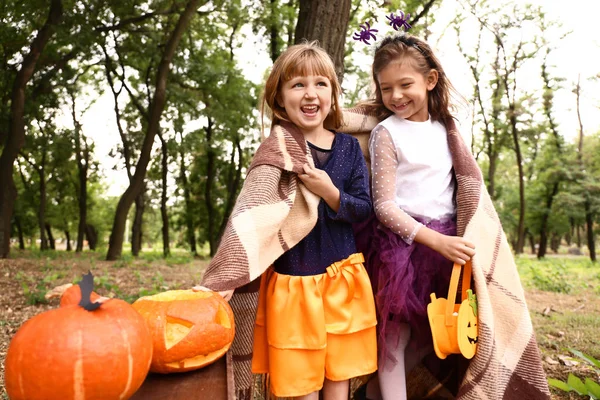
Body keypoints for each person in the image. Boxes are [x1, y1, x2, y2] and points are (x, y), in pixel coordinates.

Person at [196, 41, 378, 400]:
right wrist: (226, 273)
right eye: (298, 85)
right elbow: (251, 215)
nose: (310, 94)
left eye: (320, 84)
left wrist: (330, 192)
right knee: (300, 383)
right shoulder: (275, 152)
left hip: (342, 281)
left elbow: (364, 209)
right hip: (293, 286)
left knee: (337, 376)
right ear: (280, 98)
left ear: (333, 94)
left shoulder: (348, 148)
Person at [354, 33, 476, 400]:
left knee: (431, 334)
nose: (395, 96)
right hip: (402, 245)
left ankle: (371, 396)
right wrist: (432, 238)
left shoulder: (447, 131)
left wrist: (451, 237)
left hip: (447, 243)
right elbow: (384, 206)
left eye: (405, 84)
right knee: (396, 335)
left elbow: (464, 187)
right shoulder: (387, 133)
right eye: (386, 87)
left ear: (430, 80)